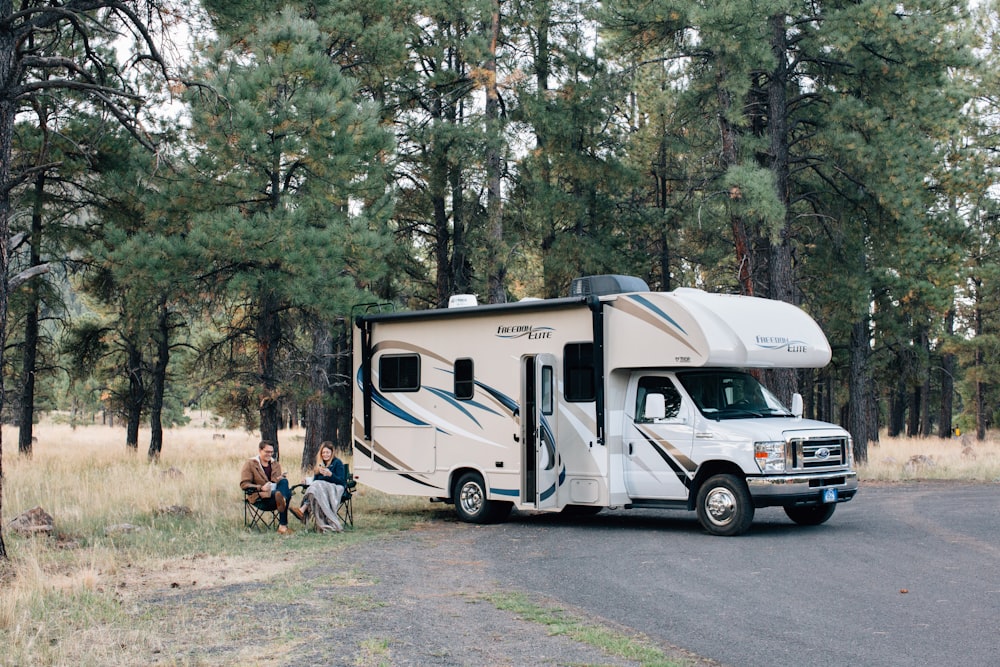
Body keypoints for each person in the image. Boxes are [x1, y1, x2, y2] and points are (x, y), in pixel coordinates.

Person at [240, 439, 304, 534]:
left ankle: (282, 499)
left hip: (275, 499)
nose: (270, 454)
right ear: (260, 450)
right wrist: (260, 488)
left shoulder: (275, 464)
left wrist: (279, 478)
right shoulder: (250, 464)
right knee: (285, 494)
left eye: (271, 452)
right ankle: (283, 525)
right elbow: (244, 484)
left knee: (284, 481)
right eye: (267, 452)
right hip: (261, 499)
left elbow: (274, 481)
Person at [299, 441, 346, 532]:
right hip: (321, 490)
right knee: (316, 486)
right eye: (323, 452)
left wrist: (331, 475)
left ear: (332, 452)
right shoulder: (320, 464)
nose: (325, 455)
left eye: (327, 452)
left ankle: (303, 508)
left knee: (317, 485)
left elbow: (341, 481)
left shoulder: (337, 463)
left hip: (335, 488)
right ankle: (320, 523)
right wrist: (306, 481)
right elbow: (315, 480)